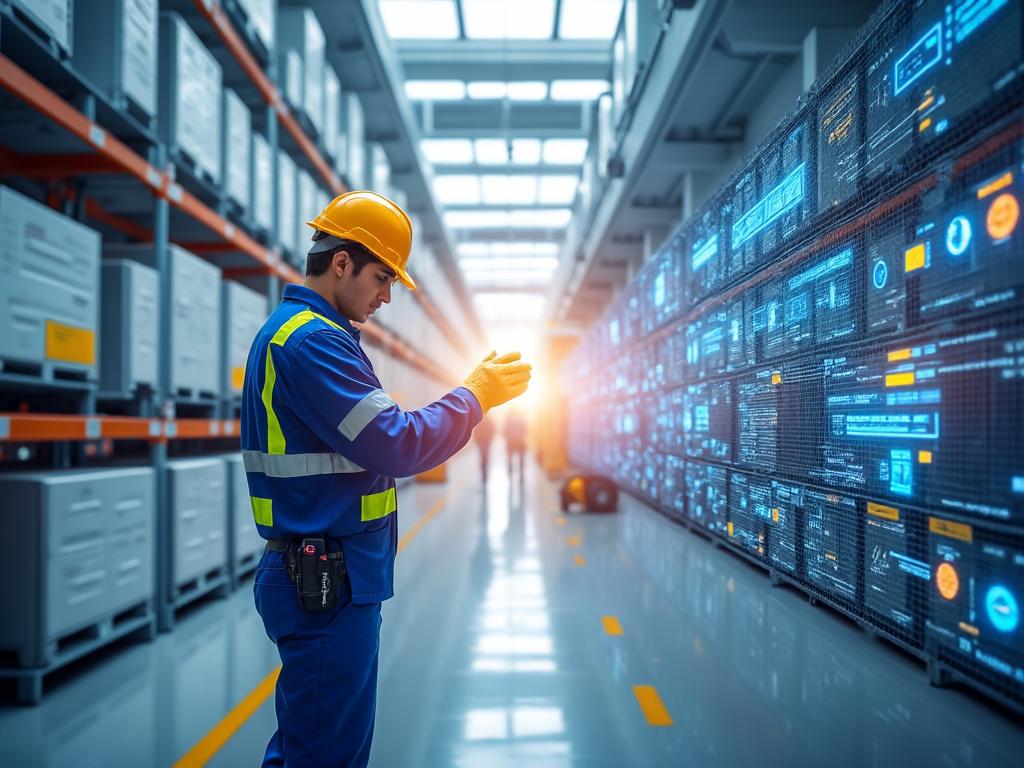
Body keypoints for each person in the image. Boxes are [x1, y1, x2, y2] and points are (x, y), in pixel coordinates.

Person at [240, 190, 531, 767]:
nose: (385, 296)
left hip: (325, 571)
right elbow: (397, 442)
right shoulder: (313, 342)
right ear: (340, 262)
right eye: (381, 276)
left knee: (311, 746)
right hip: (324, 579)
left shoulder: (309, 335)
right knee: (325, 755)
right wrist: (476, 396)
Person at [504, 406, 528, 484]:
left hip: (510, 442)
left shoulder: (508, 419)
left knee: (510, 459)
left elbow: (504, 431)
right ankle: (521, 476)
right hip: (520, 442)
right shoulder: (521, 419)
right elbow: (526, 429)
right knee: (521, 460)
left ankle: (510, 475)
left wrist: (508, 438)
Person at [474, 413, 496, 484]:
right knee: (486, 457)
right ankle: (485, 473)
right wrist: (490, 439)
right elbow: (493, 430)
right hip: (486, 442)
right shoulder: (490, 421)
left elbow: (475, 432)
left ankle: (483, 471)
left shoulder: (480, 421)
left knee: (483, 457)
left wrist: (477, 441)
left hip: (481, 442)